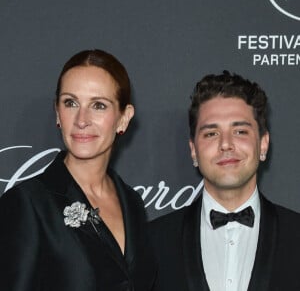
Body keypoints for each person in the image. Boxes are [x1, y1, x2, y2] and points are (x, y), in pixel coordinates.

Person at [0, 49, 156, 291]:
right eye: (71, 103)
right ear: (58, 113)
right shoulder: (27, 204)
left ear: (124, 118)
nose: (82, 119)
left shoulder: (132, 202)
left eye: (99, 105)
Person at [150, 70, 300, 291]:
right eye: (211, 133)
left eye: (240, 131)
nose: (226, 144)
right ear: (193, 150)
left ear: (263, 144)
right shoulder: (152, 242)